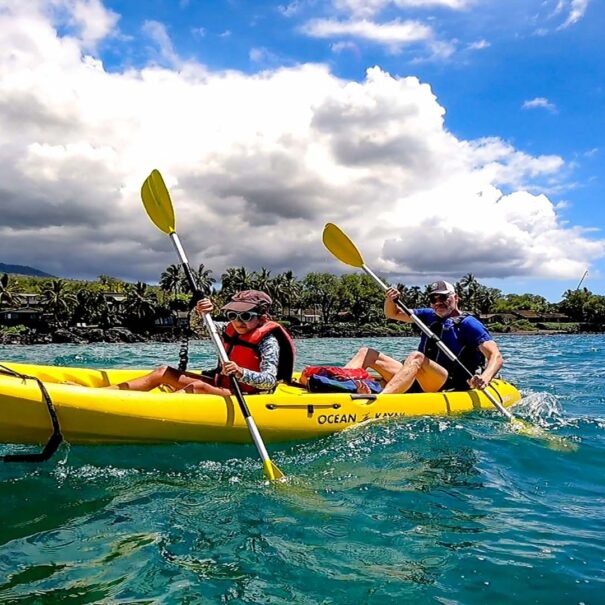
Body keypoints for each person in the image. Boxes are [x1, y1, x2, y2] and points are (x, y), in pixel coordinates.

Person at [108, 290, 295, 395]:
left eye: (246, 316)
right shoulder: (229, 329)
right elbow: (198, 327)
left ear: (262, 319)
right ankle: (106, 394)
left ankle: (149, 411)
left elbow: (268, 380)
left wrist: (240, 372)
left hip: (249, 395)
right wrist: (201, 312)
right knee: (162, 372)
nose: (238, 321)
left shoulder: (268, 342)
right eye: (233, 315)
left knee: (197, 387)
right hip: (222, 384)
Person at [345, 280, 503, 395]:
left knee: (416, 357)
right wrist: (390, 299)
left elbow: (495, 355)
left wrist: (485, 377)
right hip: (420, 375)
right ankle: (336, 385)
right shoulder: (428, 315)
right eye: (434, 299)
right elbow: (392, 313)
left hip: (446, 380)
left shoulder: (470, 324)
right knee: (367, 352)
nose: (438, 303)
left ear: (456, 298)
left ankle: (382, 401)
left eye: (443, 298)